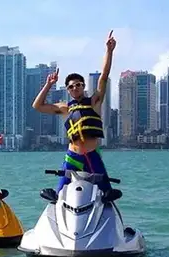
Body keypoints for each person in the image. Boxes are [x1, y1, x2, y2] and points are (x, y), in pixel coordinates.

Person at [32, 30, 116, 194]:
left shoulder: (94, 102)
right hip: (73, 157)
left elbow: (104, 77)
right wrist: (49, 84)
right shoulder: (65, 108)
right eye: (71, 86)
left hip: (92, 156)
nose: (75, 87)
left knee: (107, 193)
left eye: (78, 84)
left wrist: (109, 51)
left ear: (83, 86)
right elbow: (37, 106)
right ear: (68, 90)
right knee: (59, 193)